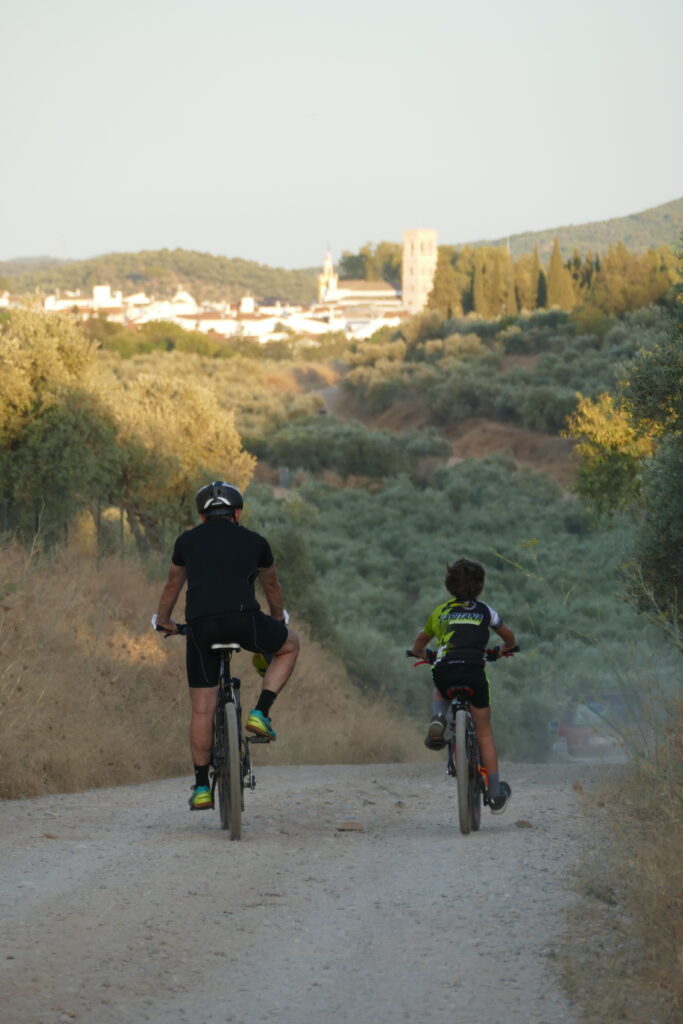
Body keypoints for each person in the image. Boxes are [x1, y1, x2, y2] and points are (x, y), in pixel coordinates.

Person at [154, 481, 299, 810]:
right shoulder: (256, 541)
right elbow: (272, 584)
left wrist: (164, 619)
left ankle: (202, 787)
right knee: (289, 646)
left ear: (202, 517)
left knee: (203, 709)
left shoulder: (186, 542)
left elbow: (172, 584)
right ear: (237, 513)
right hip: (245, 621)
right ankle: (261, 712)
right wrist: (277, 619)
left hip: (201, 628)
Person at [408, 557, 515, 815]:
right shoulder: (486, 611)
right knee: (484, 731)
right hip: (474, 672)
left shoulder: (440, 612)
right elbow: (509, 637)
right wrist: (504, 650)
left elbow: (420, 643)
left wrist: (417, 652)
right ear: (479, 587)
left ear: (450, 586)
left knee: (440, 688)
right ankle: (494, 792)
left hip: (445, 669)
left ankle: (437, 717)